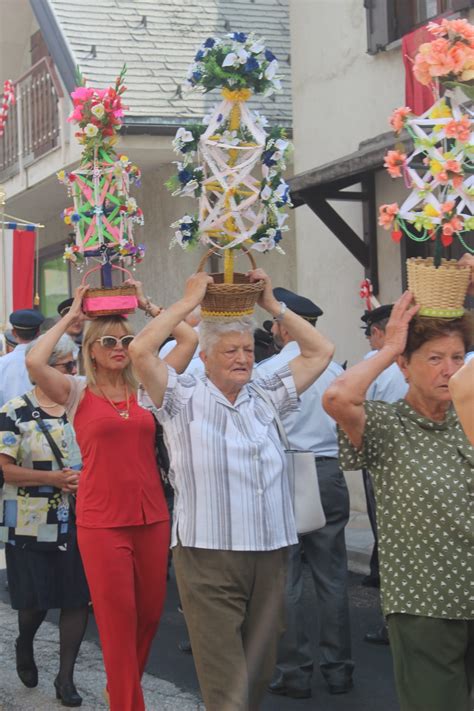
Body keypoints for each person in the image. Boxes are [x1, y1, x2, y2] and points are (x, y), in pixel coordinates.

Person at [129, 269, 335, 711]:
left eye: (247, 349)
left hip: (272, 552)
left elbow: (320, 350)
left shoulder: (265, 390)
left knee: (258, 673)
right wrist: (187, 304)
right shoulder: (180, 395)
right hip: (208, 556)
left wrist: (274, 306)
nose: (243, 357)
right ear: (204, 355)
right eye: (230, 350)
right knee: (226, 686)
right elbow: (140, 350)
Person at [25, 282, 198, 711]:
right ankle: (127, 702)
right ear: (92, 349)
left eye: (127, 339)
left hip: (153, 516)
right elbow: (34, 359)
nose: (120, 347)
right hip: (102, 522)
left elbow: (189, 337)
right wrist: (71, 317)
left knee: (152, 616)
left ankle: (121, 689)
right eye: (109, 341)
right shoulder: (76, 392)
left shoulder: (146, 386)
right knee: (118, 623)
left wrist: (144, 302)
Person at [323, 291, 474, 711]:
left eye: (458, 357)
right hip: (426, 603)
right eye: (434, 358)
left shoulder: (471, 420)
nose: (449, 370)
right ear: (404, 367)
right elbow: (337, 398)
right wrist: (390, 346)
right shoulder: (387, 424)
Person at [256, 287, 353, 699]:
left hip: (287, 469)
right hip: (328, 469)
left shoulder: (266, 371)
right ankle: (338, 669)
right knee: (332, 576)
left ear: (282, 327)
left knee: (287, 577)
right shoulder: (335, 371)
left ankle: (294, 671)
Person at [0, 334, 89, 707]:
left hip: (81, 518)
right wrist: (54, 479)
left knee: (77, 599)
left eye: (74, 365)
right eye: (67, 366)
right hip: (30, 520)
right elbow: (5, 470)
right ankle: (25, 642)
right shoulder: (15, 410)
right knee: (35, 601)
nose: (74, 373)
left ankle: (65, 678)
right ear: (44, 369)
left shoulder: (83, 407)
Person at [0, 309, 45, 407]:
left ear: (14, 333)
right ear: (38, 332)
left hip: (9, 420)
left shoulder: (2, 364)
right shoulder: (49, 359)